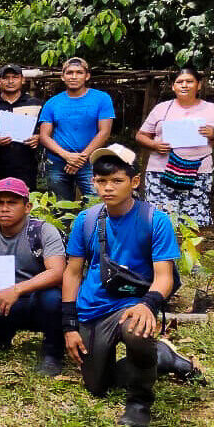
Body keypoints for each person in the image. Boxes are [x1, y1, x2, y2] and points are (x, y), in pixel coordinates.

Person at [63, 144, 200, 427]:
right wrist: (69, 326)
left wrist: (148, 304)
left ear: (134, 181)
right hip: (93, 308)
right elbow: (73, 273)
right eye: (101, 181)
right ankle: (162, 357)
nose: (107, 188)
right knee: (97, 385)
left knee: (137, 330)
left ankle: (139, 402)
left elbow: (165, 276)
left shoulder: (154, 220)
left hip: (134, 303)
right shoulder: (86, 221)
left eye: (117, 180)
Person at [0, 178, 66, 375]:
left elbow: (57, 272)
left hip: (35, 300)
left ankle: (53, 353)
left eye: (12, 203)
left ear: (27, 207)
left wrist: (16, 290)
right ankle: (2, 334)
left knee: (53, 298)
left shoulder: (43, 231)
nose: (4, 208)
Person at [134, 68, 214, 227]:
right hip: (160, 172)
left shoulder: (211, 109)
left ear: (199, 85)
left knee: (194, 222)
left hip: (198, 172)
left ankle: (191, 245)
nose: (184, 85)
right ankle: (163, 244)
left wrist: (212, 134)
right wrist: (154, 144)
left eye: (189, 81)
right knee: (160, 221)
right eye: (179, 82)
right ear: (173, 86)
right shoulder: (161, 108)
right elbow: (140, 135)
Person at [40, 57, 115, 201]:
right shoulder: (52, 103)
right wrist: (66, 156)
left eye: (79, 72)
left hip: (90, 162)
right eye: (69, 73)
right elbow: (44, 136)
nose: (74, 76)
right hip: (58, 162)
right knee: (60, 205)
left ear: (87, 76)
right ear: (63, 77)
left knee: (96, 203)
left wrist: (81, 158)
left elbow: (104, 132)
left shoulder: (101, 99)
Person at [0, 65, 44, 188]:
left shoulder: (35, 104)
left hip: (26, 167)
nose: (10, 81)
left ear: (22, 80)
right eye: (6, 78)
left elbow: (47, 132)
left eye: (15, 77)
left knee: (26, 196)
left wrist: (38, 138)